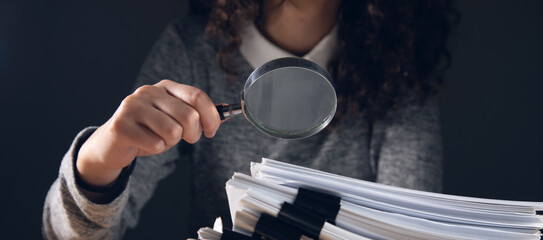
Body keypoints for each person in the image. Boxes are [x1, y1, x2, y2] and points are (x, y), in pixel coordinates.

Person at [42, 0, 456, 239]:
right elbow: (66, 236)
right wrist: (98, 162)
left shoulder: (398, 73)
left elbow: (412, 228)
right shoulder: (190, 51)